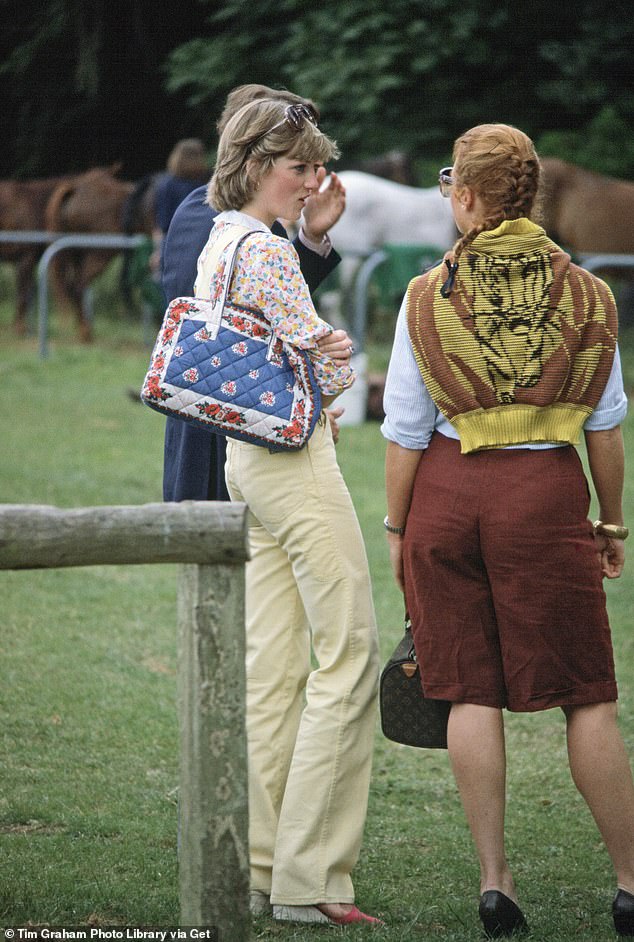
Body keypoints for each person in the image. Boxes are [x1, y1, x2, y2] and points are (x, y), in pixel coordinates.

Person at [382, 123, 634, 937]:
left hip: (447, 495)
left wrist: (396, 528)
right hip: (544, 497)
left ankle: (497, 885)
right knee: (587, 696)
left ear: (463, 197)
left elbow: (405, 429)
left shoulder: (427, 295)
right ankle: (631, 881)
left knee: (467, 690)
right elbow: (606, 429)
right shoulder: (591, 296)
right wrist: (612, 520)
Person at [188, 97, 382, 927]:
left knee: (273, 674)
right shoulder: (263, 251)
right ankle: (312, 878)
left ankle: (266, 865)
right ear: (260, 166)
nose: (314, 181)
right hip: (295, 463)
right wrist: (337, 363)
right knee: (350, 656)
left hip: (246, 461)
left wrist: (319, 356)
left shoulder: (220, 239)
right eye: (301, 167)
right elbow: (325, 370)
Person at [161, 85, 347, 503]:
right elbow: (219, 335)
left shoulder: (256, 222)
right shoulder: (203, 215)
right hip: (212, 434)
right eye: (298, 164)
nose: (312, 181)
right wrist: (302, 409)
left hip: (256, 421)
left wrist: (311, 237)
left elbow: (266, 306)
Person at [151, 138, 209, 273]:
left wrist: (158, 251)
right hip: (199, 245)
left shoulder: (166, 185)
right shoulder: (203, 186)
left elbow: (162, 224)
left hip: (172, 245)